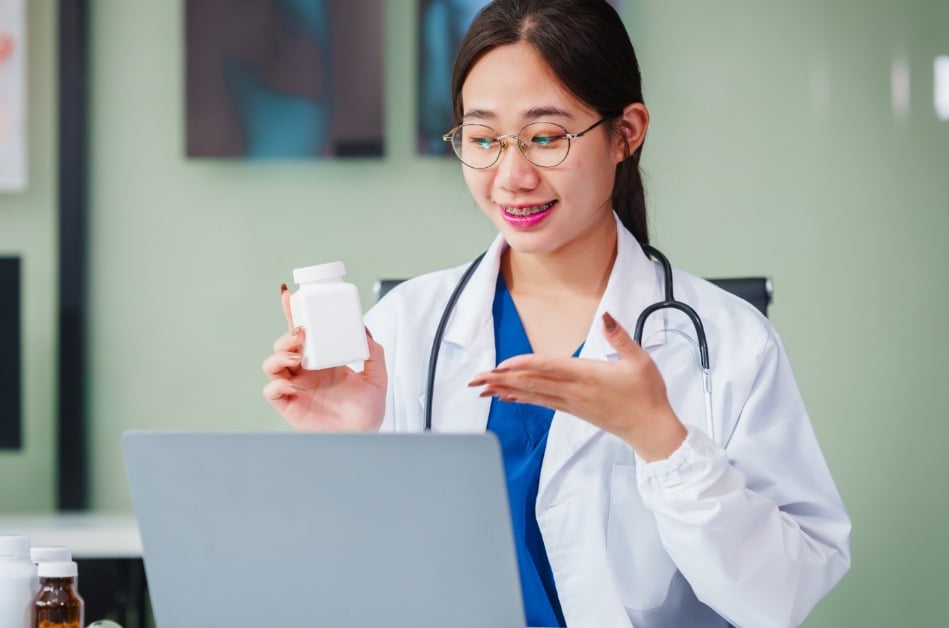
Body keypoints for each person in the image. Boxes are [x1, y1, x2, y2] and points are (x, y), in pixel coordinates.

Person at [262, 1, 851, 626]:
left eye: (545, 138)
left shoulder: (730, 343)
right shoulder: (403, 329)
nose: (511, 176)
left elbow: (780, 597)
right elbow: (355, 595)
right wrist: (350, 453)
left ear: (626, 132)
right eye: (484, 139)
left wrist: (663, 442)